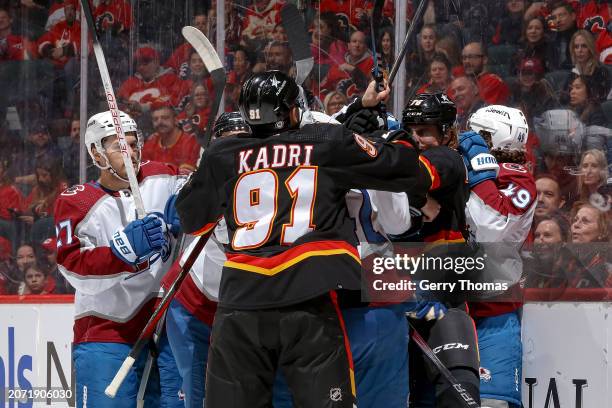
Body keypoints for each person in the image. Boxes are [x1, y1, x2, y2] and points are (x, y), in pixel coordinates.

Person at [175, 70, 429, 407]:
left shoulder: (222, 156)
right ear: (292, 111)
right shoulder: (325, 142)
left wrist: (211, 170)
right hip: (308, 301)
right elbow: (407, 170)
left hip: (240, 305)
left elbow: (189, 216)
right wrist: (390, 132)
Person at [54, 110, 184, 407]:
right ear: (96, 153)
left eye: (133, 143)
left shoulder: (162, 176)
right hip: (107, 329)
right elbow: (72, 267)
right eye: (119, 146)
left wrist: (190, 207)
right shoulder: (77, 202)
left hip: (165, 326)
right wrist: (120, 253)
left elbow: (201, 193)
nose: (131, 152)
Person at [398, 92, 481, 408]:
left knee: (457, 395)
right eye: (411, 131)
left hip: (443, 302)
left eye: (425, 131)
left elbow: (410, 174)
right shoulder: (412, 156)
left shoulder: (447, 158)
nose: (417, 138)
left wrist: (385, 149)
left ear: (446, 132)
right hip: (403, 301)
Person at [462, 105, 536, 408]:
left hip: (493, 312)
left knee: (493, 403)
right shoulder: (456, 168)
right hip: (450, 309)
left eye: (475, 133)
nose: (465, 137)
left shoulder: (518, 180)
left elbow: (491, 231)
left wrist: (478, 173)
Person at [142, 103, 201, 171]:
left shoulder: (189, 142)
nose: (160, 122)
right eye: (155, 119)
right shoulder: (150, 144)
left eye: (165, 118)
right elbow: (144, 171)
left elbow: (184, 177)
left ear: (176, 120)